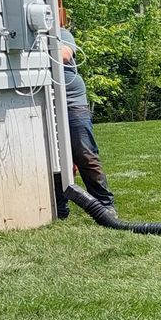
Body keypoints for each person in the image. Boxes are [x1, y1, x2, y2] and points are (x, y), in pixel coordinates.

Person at [57, 22, 116, 218]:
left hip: (73, 103)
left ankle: (105, 206)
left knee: (84, 155)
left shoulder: (61, 34)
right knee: (55, 158)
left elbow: (64, 56)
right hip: (45, 104)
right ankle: (59, 207)